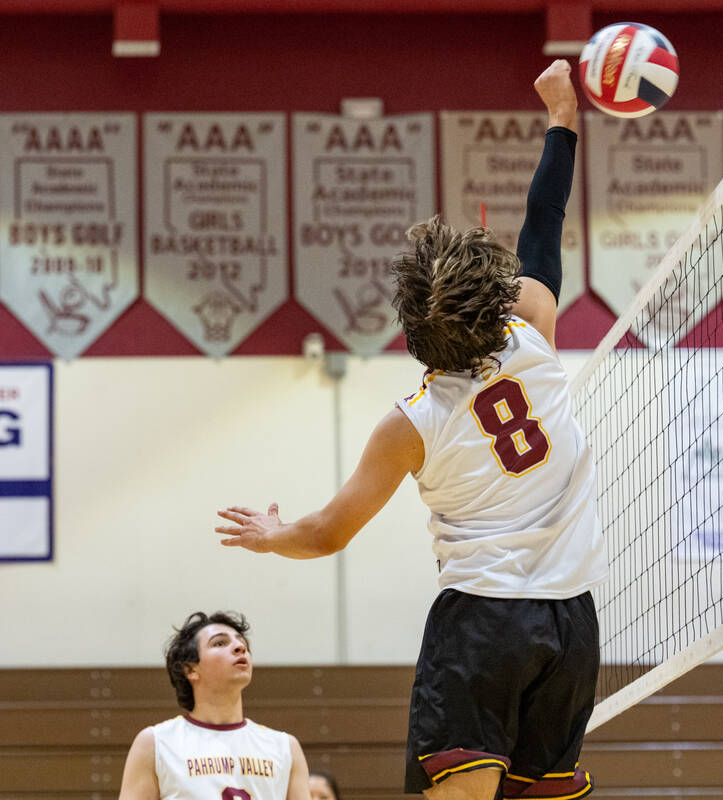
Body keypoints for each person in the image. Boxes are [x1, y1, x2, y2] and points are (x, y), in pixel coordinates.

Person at [216, 59, 606, 800]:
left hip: (482, 626)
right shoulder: (533, 334)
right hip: (571, 622)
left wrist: (272, 533)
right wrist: (563, 119)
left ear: (416, 338)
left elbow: (329, 532)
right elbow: (544, 223)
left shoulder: (411, 424)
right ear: (492, 300)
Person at [118, 611, 311, 800]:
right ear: (191, 669)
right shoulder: (156, 743)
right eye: (220, 643)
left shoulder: (285, 747)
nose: (239, 647)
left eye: (242, 643)